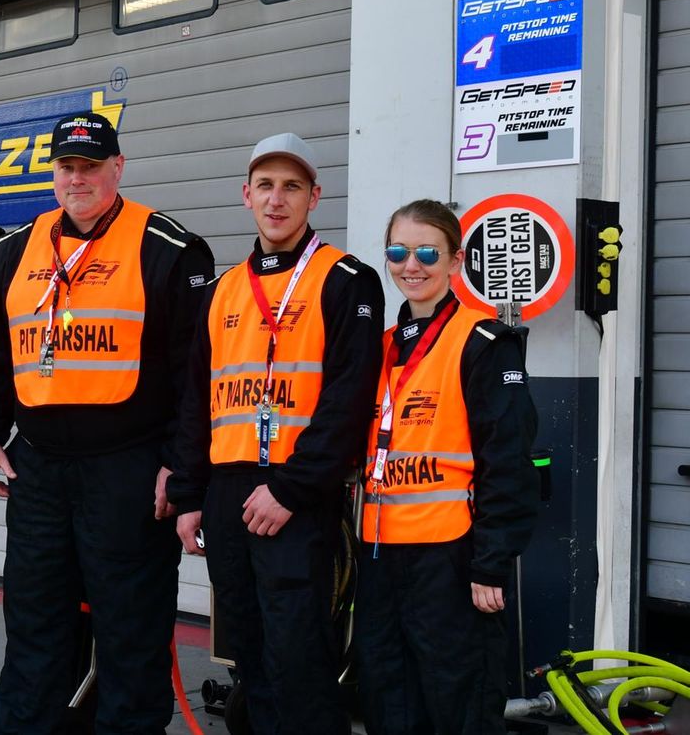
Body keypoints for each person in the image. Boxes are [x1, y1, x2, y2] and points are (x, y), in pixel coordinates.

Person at [0, 112, 214, 734]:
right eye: (67, 167)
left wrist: (180, 468)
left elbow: (195, 375)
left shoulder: (169, 247)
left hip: (128, 469)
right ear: (54, 172)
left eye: (92, 166)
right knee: (34, 626)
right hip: (39, 467)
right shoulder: (14, 248)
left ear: (118, 167)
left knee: (131, 635)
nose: (78, 179)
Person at [167, 133, 383, 735]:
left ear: (315, 196)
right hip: (227, 494)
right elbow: (196, 402)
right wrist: (188, 496)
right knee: (251, 658)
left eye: (292, 186)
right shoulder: (222, 290)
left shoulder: (346, 280)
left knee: (301, 660)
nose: (277, 199)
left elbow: (348, 401)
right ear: (246, 196)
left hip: (299, 500)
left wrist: (290, 489)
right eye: (265, 185)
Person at [354, 199, 539, 735]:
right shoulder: (384, 348)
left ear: (456, 261)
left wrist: (491, 564)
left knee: (458, 695)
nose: (411, 265)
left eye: (427, 252)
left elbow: (509, 459)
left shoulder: (484, 344)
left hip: (452, 561)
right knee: (387, 695)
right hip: (381, 557)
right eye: (398, 251)